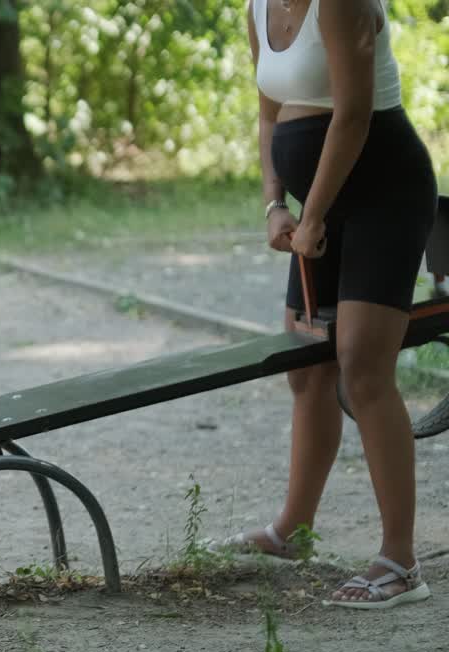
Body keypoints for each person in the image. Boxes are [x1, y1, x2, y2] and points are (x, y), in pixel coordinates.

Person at [212, 0, 439, 609]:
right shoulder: (258, 8)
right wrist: (274, 204)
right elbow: (268, 112)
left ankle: (400, 562)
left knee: (362, 369)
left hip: (381, 193)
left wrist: (313, 214)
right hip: (314, 202)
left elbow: (355, 114)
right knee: (308, 371)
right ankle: (293, 531)